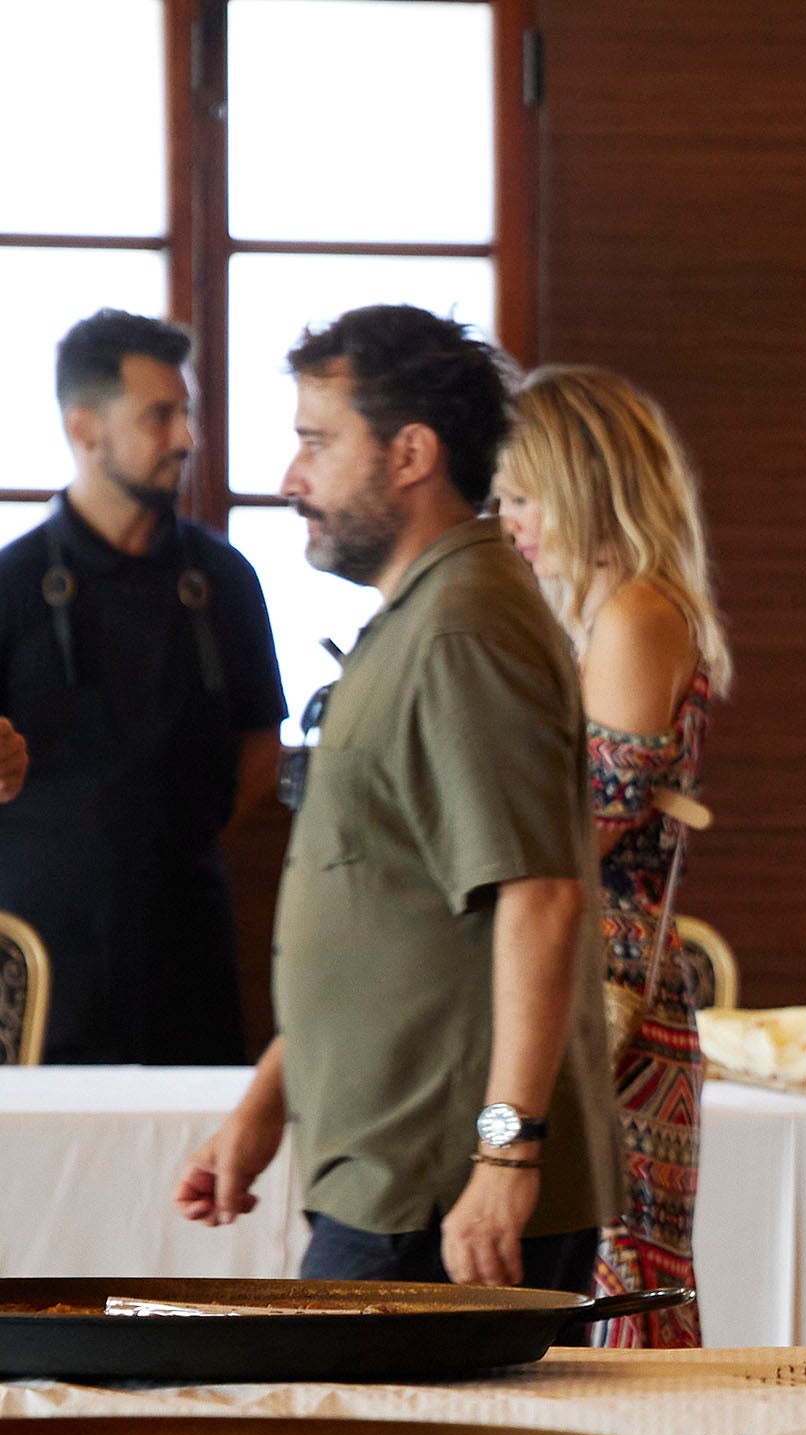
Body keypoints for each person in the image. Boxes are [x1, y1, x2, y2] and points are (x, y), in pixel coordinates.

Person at [173, 305, 615, 1289]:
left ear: (410, 454)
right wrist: (264, 1109)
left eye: (317, 445)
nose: (293, 482)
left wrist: (506, 1154)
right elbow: (388, 910)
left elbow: (540, 898)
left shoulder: (465, 629)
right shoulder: (423, 617)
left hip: (442, 1196)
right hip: (399, 1176)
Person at [494, 366, 731, 1346]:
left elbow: (576, 830)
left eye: (519, 494)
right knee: (600, 1264)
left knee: (617, 1267)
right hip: (601, 978)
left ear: (581, 486)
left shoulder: (634, 615)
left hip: (610, 991)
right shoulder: (608, 613)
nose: (504, 518)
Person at [0, 310, 283, 1063]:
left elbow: (261, 754)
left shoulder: (222, 579)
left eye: (185, 413)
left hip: (186, 944)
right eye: (160, 416)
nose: (186, 439)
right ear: (84, 428)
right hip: (35, 957)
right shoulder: (12, 582)